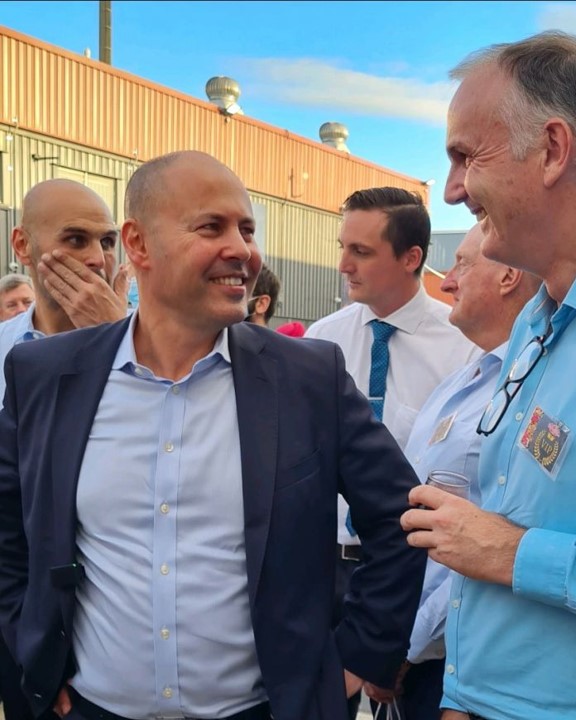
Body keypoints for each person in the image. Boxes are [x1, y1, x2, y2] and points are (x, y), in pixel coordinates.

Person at [0, 150, 426, 720]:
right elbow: (8, 530)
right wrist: (33, 650)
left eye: (247, 229)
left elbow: (401, 521)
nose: (242, 250)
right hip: (90, 708)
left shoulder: (306, 378)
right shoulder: (46, 376)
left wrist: (352, 662)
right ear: (139, 244)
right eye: (211, 227)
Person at [401, 31, 576, 720]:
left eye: (466, 156)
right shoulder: (538, 320)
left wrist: (517, 555)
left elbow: (506, 547)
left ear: (551, 150)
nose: (453, 190)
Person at [306, 186, 478, 718]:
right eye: (342, 247)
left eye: (361, 251)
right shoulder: (319, 345)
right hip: (321, 572)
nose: (343, 265)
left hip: (410, 576)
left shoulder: (465, 351)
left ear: (411, 259)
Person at [366, 224, 539, 720]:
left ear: (508, 275)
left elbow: (487, 545)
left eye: (462, 263)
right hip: (417, 656)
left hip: (456, 666)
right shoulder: (466, 380)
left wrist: (409, 644)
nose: (445, 282)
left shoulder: (532, 392)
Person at [0, 179, 129, 720]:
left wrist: (117, 338)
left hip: (115, 616)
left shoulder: (141, 350)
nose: (96, 259)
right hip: (18, 605)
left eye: (105, 241)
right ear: (22, 246)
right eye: (75, 239)